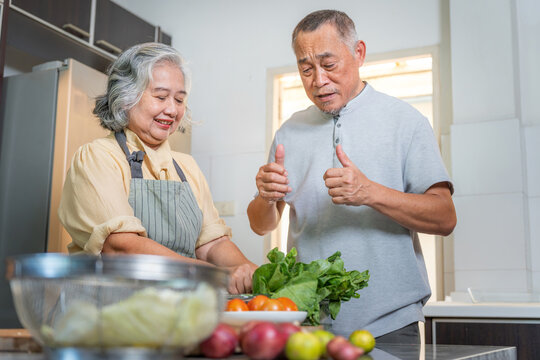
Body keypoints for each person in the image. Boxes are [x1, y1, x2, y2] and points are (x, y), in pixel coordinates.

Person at [247, 10, 457, 343]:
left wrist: (369, 192)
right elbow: (262, 225)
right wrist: (265, 196)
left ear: (358, 53)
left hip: (389, 324)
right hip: (306, 322)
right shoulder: (288, 131)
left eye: (329, 65)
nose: (318, 81)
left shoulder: (405, 121)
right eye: (305, 69)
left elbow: (445, 217)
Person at [59, 42, 257, 294]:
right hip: (107, 318)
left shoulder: (187, 167)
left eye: (179, 99)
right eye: (161, 97)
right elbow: (120, 247)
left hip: (176, 315)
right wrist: (214, 275)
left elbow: (212, 243)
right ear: (126, 97)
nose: (172, 110)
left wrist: (253, 273)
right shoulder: (98, 157)